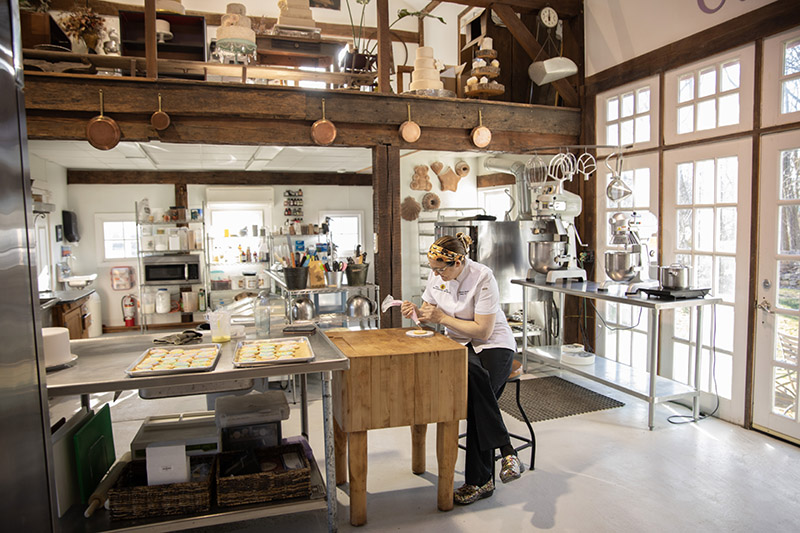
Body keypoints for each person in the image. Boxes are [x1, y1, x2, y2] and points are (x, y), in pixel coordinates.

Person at [401, 233, 522, 505]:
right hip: (457, 342)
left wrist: (441, 317)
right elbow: (426, 313)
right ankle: (506, 453)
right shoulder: (437, 275)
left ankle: (479, 482)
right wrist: (414, 312)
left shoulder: (483, 276)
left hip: (494, 343)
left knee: (478, 393)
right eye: (432, 269)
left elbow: (483, 329)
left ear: (459, 262)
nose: (436, 274)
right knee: (478, 386)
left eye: (440, 269)